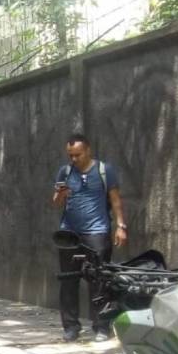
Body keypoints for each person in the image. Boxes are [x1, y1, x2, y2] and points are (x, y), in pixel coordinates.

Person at [53, 134, 126, 343]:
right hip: (69, 234)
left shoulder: (104, 170)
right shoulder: (65, 172)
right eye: (70, 155)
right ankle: (70, 327)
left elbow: (116, 200)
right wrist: (61, 195)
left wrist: (121, 226)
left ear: (88, 150)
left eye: (77, 154)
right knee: (68, 281)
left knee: (99, 281)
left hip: (97, 231)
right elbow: (56, 203)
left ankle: (101, 326)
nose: (74, 159)